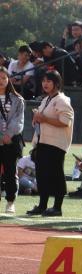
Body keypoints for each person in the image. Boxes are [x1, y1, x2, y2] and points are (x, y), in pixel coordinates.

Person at [27, 71, 74, 217]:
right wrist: (37, 118)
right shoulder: (46, 99)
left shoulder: (62, 100)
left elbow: (65, 122)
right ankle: (42, 206)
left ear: (56, 83)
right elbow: (41, 119)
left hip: (56, 144)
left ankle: (57, 207)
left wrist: (44, 119)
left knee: (56, 175)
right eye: (43, 81)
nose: (45, 84)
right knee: (42, 176)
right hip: (43, 142)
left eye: (49, 81)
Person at [0, 67, 25, 214]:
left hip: (10, 141)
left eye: (4, 78)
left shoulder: (17, 99)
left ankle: (10, 202)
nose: (1, 81)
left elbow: (18, 121)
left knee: (10, 172)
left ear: (8, 79)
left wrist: (8, 134)